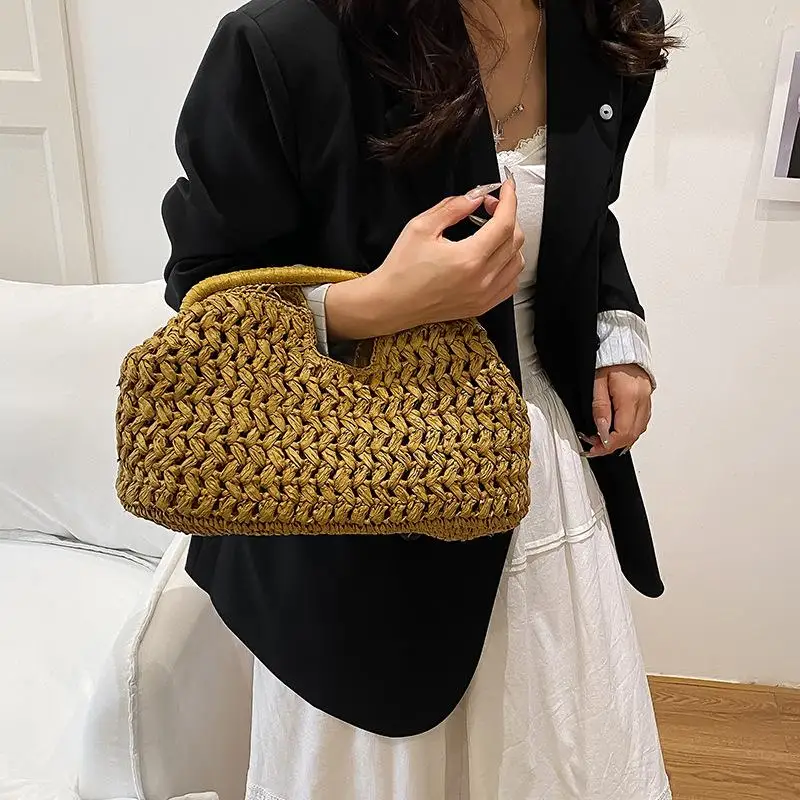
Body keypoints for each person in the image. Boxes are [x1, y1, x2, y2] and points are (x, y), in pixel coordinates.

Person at [162, 0, 679, 797]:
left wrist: (616, 331)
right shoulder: (287, 41)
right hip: (358, 497)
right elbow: (205, 290)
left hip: (544, 475)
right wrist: (379, 304)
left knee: (560, 750)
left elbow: (588, 208)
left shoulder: (609, 21)